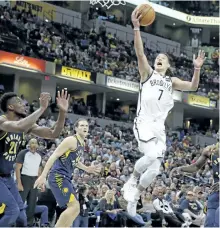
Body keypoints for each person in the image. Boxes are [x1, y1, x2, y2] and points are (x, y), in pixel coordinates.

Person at [123, 7, 206, 217]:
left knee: (154, 170)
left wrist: (196, 68)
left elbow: (193, 87)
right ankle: (132, 180)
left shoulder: (172, 81)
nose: (158, 58)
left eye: (162, 58)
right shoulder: (147, 73)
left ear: (168, 65)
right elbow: (140, 52)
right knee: (150, 155)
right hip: (143, 121)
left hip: (159, 127)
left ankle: (134, 198)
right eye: (157, 57)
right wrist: (136, 28)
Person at [0, 90, 69, 226]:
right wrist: (42, 108)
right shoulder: (2, 121)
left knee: (21, 216)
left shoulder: (26, 125)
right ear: (10, 107)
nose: (24, 105)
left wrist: (62, 112)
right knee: (12, 211)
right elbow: (19, 127)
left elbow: (53, 134)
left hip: (7, 177)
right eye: (20, 102)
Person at [34, 118, 101, 227]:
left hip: (65, 178)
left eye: (86, 126)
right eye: (82, 125)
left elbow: (76, 161)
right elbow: (54, 155)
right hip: (58, 176)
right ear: (75, 128)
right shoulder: (71, 140)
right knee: (74, 207)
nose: (85, 127)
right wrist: (43, 175)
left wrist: (87, 169)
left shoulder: (82, 144)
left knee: (75, 210)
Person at [170, 142, 219, 227]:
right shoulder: (210, 150)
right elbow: (196, 166)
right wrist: (181, 168)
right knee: (210, 224)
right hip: (215, 194)